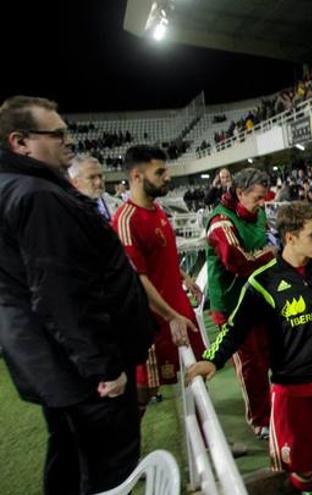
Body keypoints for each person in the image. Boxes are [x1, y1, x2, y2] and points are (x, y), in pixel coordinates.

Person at [0, 95, 154, 494]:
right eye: (57, 134)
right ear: (20, 142)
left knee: (69, 457)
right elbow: (60, 294)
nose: (67, 142)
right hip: (83, 375)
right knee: (107, 474)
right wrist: (102, 367)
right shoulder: (36, 195)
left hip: (60, 369)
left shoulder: (21, 188)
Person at [188, 201, 312, 494]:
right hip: (295, 392)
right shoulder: (262, 283)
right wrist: (211, 360)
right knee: (305, 471)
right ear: (290, 237)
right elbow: (235, 328)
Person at [112, 145, 205, 410]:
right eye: (160, 172)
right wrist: (169, 315)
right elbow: (137, 278)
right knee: (144, 391)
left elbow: (161, 258)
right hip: (154, 320)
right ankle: (128, 449)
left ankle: (212, 443)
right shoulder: (125, 220)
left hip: (179, 310)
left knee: (198, 371)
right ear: (136, 176)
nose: (167, 177)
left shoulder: (158, 210)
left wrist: (185, 278)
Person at [205, 168, 276, 438]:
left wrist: (262, 254)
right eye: (257, 198)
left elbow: (261, 244)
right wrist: (267, 257)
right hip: (232, 301)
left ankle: (273, 406)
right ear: (239, 192)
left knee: (268, 353)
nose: (262, 204)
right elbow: (238, 262)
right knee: (251, 362)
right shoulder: (221, 221)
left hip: (258, 293)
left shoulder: (257, 212)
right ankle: (260, 420)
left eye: (264, 199)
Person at [68, 153, 114, 221]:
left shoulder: (119, 205)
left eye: (100, 176)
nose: (99, 182)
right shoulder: (67, 210)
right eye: (92, 177)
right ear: (75, 182)